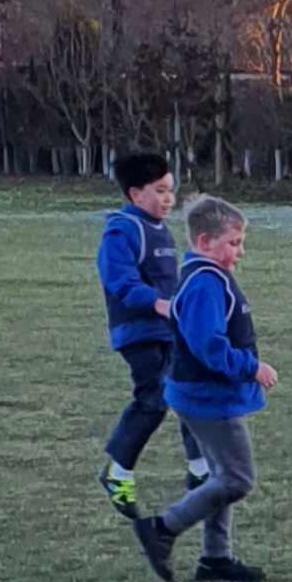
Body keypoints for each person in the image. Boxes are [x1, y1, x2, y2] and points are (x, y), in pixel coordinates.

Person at [132, 195, 278, 582]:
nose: (240, 251)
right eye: (233, 243)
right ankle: (162, 528)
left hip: (205, 394)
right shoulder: (204, 284)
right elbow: (208, 346)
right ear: (203, 241)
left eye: (240, 242)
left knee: (221, 475)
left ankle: (215, 559)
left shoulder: (208, 277)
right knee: (237, 478)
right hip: (206, 397)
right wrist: (252, 368)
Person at [97, 151, 207, 520]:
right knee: (154, 399)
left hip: (167, 328)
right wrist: (157, 303)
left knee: (191, 387)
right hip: (138, 331)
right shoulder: (121, 230)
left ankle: (200, 468)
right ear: (134, 194)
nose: (168, 199)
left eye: (171, 190)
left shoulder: (159, 228)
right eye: (159, 190)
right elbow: (121, 282)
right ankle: (118, 473)